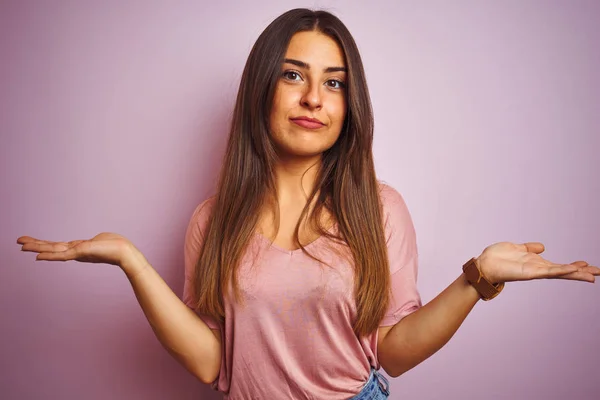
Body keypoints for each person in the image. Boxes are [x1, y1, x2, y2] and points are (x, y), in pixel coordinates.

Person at [16, 8, 598, 400]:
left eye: (335, 82)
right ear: (263, 88)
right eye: (294, 75)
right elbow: (212, 362)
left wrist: (476, 280)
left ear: (350, 106)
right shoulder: (212, 221)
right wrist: (130, 261)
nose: (315, 98)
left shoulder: (380, 210)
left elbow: (392, 353)